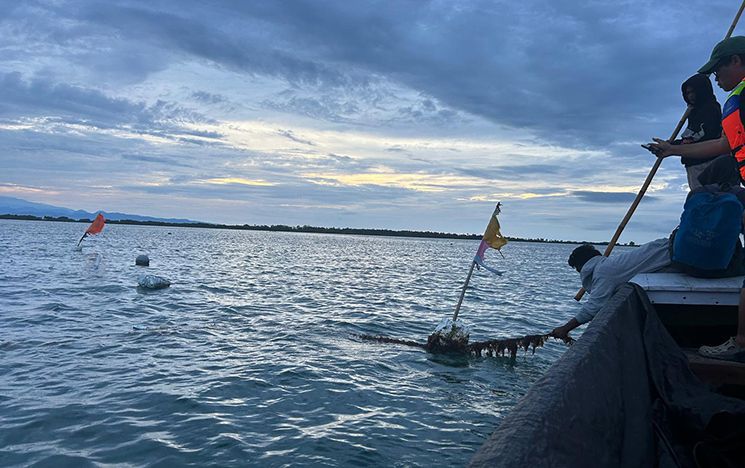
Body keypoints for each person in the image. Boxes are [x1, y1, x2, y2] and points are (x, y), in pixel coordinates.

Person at [646, 36, 745, 360]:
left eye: (718, 70)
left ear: (736, 61)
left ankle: (741, 343)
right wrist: (674, 149)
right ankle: (742, 341)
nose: (715, 78)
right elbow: (723, 144)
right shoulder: (736, 99)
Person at [550, 239, 671, 340]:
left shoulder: (604, 271)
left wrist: (565, 328)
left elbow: (593, 307)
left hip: (672, 252)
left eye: (577, 268)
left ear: (582, 266)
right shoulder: (608, 266)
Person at [676, 74, 723, 190]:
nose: (691, 96)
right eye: (687, 93)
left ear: (702, 91)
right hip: (695, 164)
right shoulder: (694, 111)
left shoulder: (710, 108)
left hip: (708, 164)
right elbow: (691, 137)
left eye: (693, 92)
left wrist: (672, 146)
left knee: (708, 201)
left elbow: (699, 137)